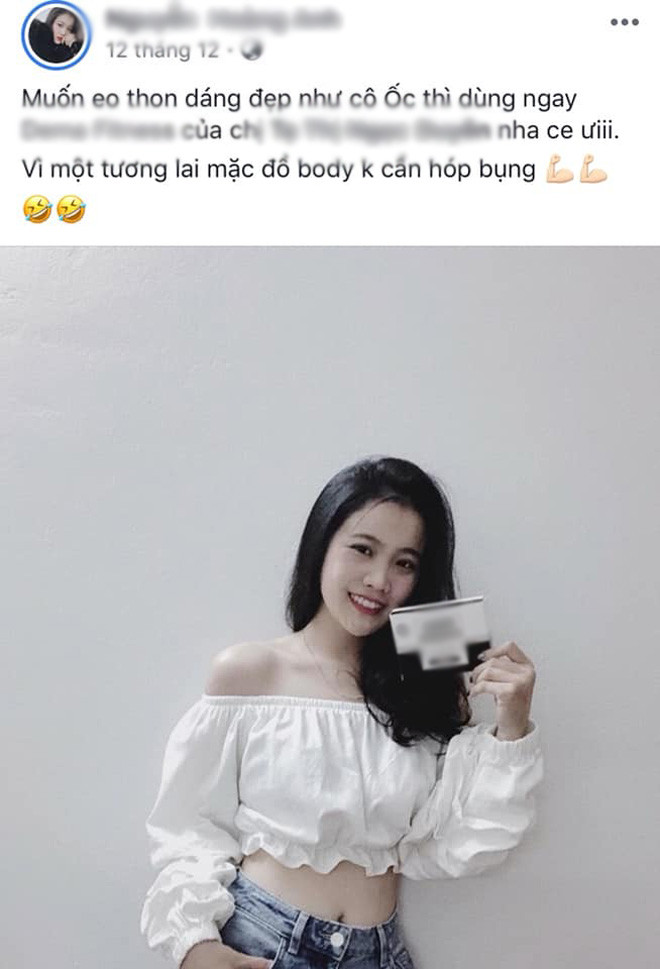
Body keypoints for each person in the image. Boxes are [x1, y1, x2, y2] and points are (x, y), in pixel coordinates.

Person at [140, 456, 543, 969]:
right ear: (322, 545)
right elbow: (187, 828)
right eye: (363, 549)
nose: (379, 580)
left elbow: (460, 848)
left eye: (405, 563)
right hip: (260, 944)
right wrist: (195, 945)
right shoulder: (250, 672)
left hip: (379, 954)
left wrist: (512, 726)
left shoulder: (424, 692)